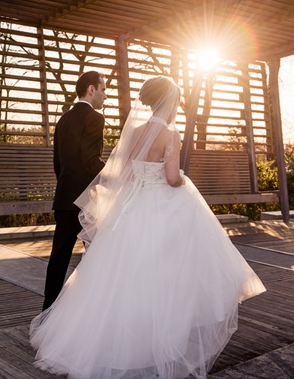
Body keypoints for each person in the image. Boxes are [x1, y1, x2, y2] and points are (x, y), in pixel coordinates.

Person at [30, 76, 266, 379]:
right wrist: (183, 180)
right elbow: (170, 178)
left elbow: (125, 174)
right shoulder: (169, 134)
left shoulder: (135, 132)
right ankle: (162, 332)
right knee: (167, 267)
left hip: (131, 205)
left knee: (115, 271)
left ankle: (96, 334)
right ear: (169, 102)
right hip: (158, 204)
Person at [42, 70, 107, 311]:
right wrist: (113, 176)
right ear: (91, 89)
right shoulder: (95, 118)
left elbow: (58, 164)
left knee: (59, 258)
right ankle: (94, 310)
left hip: (64, 199)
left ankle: (48, 311)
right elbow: (91, 161)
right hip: (86, 202)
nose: (105, 96)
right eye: (103, 89)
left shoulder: (63, 119)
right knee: (102, 254)